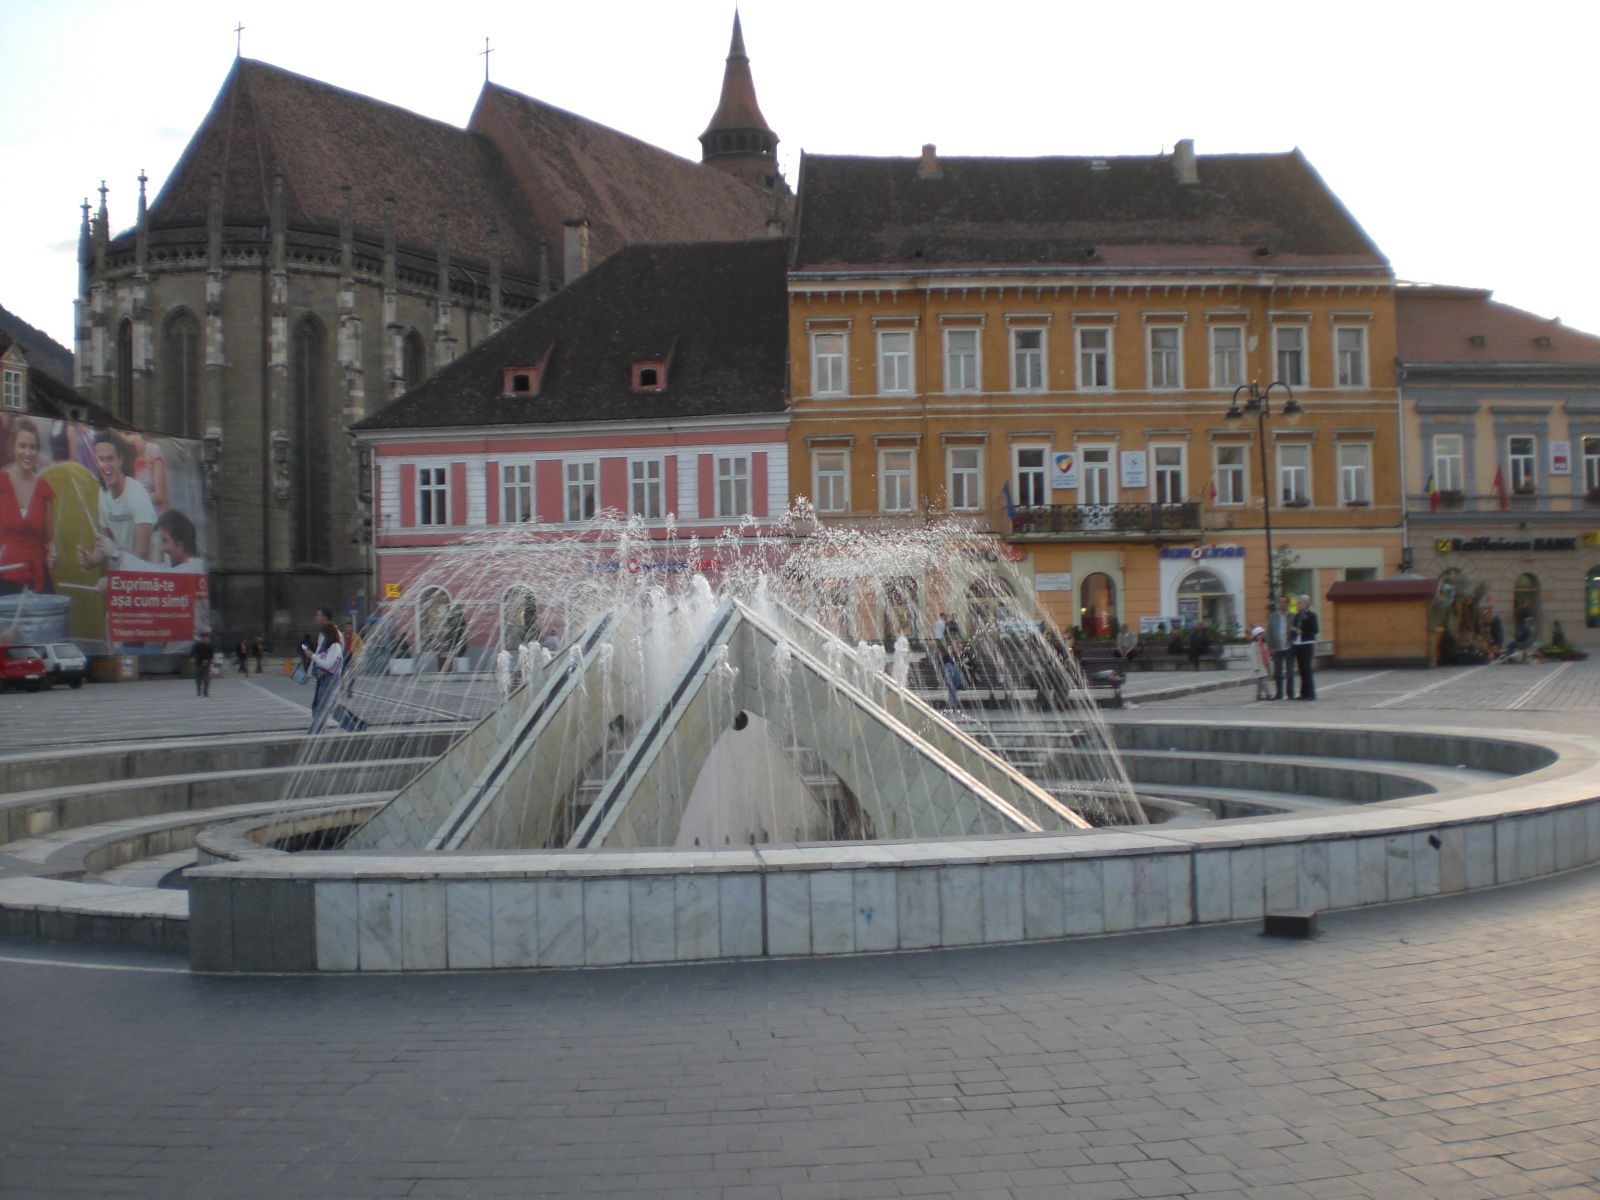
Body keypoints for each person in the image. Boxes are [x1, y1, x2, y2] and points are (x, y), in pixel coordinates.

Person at [77, 429, 155, 568]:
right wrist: (90, 560)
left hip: (150, 579)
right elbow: (104, 542)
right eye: (101, 459)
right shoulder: (103, 494)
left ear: (120, 460)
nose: (105, 466)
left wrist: (115, 556)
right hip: (126, 576)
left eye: (109, 459)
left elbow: (143, 553)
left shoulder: (137, 494)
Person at [0, 417, 58, 595]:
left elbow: (49, 540)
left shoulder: (44, 489)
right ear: (13, 447)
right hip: (4, 578)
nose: (27, 452)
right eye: (22, 446)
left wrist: (53, 553)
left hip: (37, 580)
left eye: (32, 447)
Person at [301, 607, 344, 733]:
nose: (316, 617)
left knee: (325, 705)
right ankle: (317, 730)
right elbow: (322, 653)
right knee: (322, 704)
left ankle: (316, 731)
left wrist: (326, 669)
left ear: (324, 617)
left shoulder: (335, 635)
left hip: (328, 674)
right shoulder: (324, 634)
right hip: (323, 672)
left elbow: (338, 657)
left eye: (318, 615)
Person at [1266, 594, 1296, 701]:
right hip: (1277, 648)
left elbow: (1296, 630)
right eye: (1280, 602)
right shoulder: (1273, 617)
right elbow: (1269, 633)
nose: (1282, 604)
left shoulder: (1292, 616)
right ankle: (1279, 693)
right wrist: (1270, 648)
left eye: (1284, 602)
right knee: (1277, 672)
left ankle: (1290, 693)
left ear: (1287, 603)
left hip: (1289, 647)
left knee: (1290, 672)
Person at [1293, 593, 1319, 700]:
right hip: (1298, 644)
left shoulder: (1311, 615)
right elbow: (1294, 628)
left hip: (1307, 643)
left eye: (1302, 603)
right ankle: (1303, 693)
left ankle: (1310, 693)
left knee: (1307, 669)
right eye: (1299, 603)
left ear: (1307, 603)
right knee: (1301, 669)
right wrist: (1294, 633)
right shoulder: (1297, 616)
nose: (1300, 605)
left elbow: (1315, 630)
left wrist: (1302, 632)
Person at [1250, 626, 1273, 701]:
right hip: (1259, 666)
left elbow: (1267, 654)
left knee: (1260, 682)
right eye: (1258, 635)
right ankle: (1268, 695)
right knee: (1263, 681)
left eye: (1261, 634)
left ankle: (1258, 695)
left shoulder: (1264, 644)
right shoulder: (1254, 645)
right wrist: (1256, 667)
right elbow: (1253, 657)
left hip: (1265, 664)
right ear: (1255, 636)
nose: (1260, 636)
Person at [190, 630, 215, 697]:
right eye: (203, 638)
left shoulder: (209, 645)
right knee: (198, 678)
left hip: (207, 664)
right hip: (198, 663)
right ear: (201, 638)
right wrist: (192, 658)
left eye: (206, 637)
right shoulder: (197, 645)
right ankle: (198, 689)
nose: (204, 639)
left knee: (206, 678)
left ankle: (205, 692)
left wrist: (208, 660)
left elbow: (211, 655)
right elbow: (192, 652)